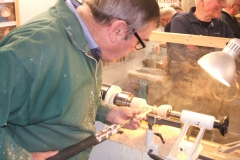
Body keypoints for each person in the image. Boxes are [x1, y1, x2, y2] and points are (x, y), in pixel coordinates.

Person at [0, 0, 160, 160]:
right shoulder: (30, 49)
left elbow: (59, 96)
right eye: (139, 42)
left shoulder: (87, 43)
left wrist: (107, 112)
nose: (134, 48)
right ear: (118, 30)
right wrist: (17, 157)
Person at [165, 0, 235, 117]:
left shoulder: (223, 26)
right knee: (177, 131)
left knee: (206, 132)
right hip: (184, 94)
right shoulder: (181, 21)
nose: (223, 5)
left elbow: (232, 57)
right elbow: (183, 56)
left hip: (212, 96)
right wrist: (218, 56)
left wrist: (197, 51)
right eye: (220, 1)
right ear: (202, 1)